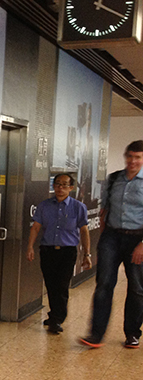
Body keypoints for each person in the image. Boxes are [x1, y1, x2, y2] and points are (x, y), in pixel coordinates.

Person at [81, 140, 143, 349]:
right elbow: (105, 209)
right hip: (112, 237)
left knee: (137, 288)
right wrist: (104, 236)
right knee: (104, 284)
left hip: (138, 239)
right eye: (130, 156)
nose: (133, 161)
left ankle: (132, 333)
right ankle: (96, 334)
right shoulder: (114, 179)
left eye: (138, 157)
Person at [26, 173, 91, 333]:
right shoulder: (44, 206)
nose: (60, 188)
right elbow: (36, 227)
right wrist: (30, 247)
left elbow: (84, 231)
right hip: (47, 251)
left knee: (61, 285)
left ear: (71, 187)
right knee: (51, 285)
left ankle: (57, 319)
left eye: (64, 185)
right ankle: (54, 314)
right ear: (53, 186)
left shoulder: (78, 207)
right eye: (57, 184)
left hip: (67, 253)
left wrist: (87, 254)